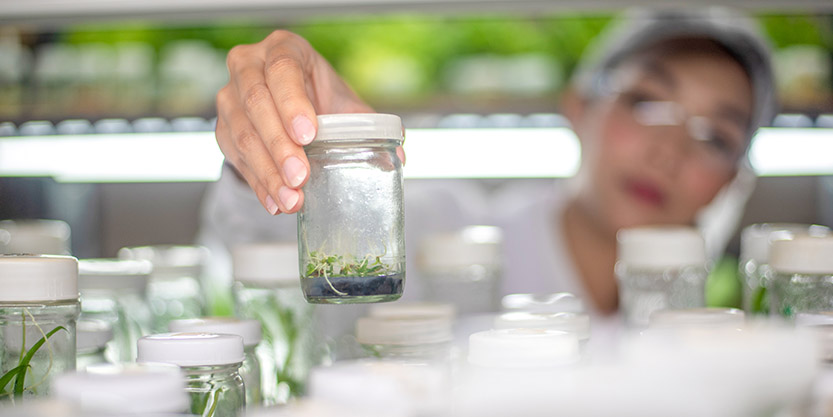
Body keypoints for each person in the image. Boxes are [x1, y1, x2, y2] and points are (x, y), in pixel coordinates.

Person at [204, 8, 775, 319]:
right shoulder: (449, 233)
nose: (668, 150)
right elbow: (258, 240)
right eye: (647, 102)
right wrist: (284, 147)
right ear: (579, 107)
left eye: (716, 137)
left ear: (734, 179)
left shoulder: (713, 326)